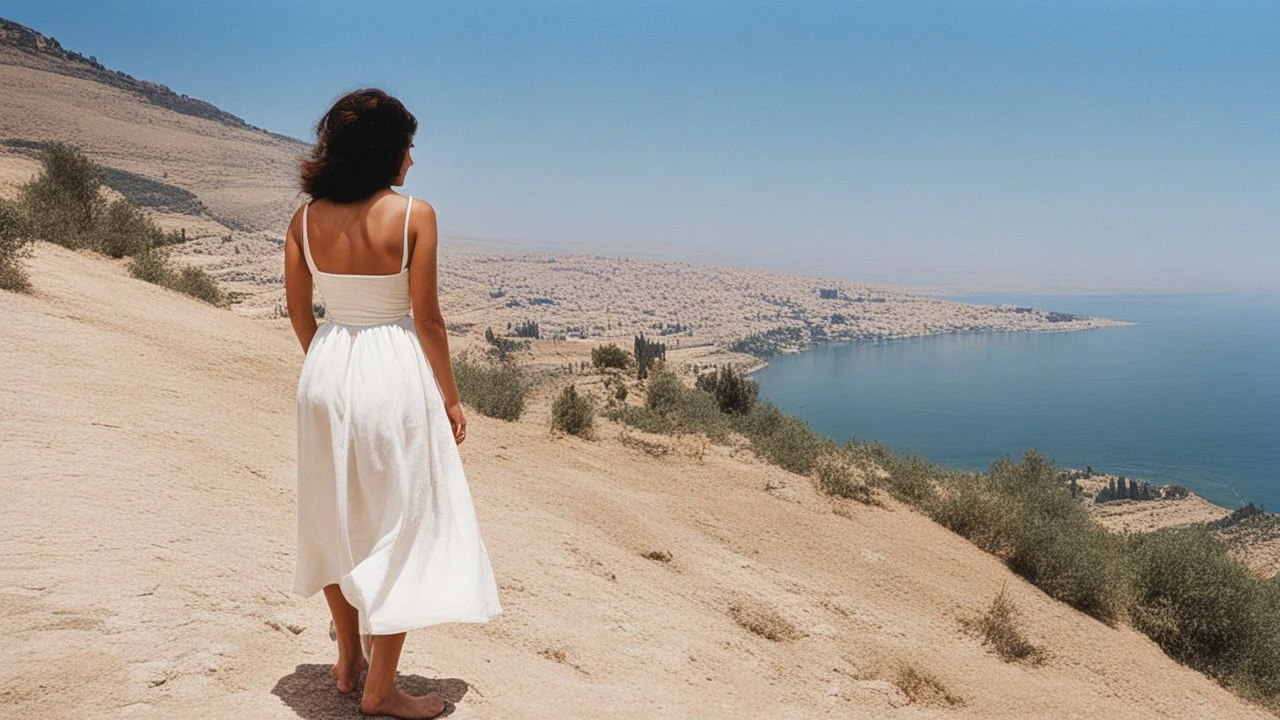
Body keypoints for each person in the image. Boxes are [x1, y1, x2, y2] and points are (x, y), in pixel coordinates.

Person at [283, 88, 502, 719]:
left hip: (326, 371)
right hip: (393, 374)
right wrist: (452, 399)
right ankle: (380, 692)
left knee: (330, 509)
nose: (413, 159)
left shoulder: (303, 220)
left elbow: (302, 314)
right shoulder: (414, 216)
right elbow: (428, 319)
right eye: (409, 146)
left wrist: (325, 365)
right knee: (403, 520)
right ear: (388, 151)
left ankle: (348, 655)